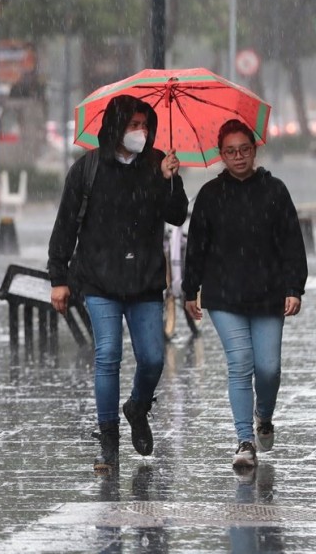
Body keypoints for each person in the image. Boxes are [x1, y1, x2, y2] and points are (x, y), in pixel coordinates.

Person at [48, 94, 188, 472]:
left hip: (144, 281)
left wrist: (170, 181)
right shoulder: (87, 170)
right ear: (115, 127)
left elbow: (176, 215)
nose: (140, 133)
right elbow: (65, 226)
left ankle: (137, 407)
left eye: (145, 125)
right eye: (133, 125)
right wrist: (58, 277)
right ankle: (108, 440)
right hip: (99, 280)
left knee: (153, 359)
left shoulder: (158, 164)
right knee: (108, 355)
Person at [183, 118, 307, 470]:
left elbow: (291, 244)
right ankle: (244, 440)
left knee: (268, 369)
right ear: (221, 154)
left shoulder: (275, 190)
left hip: (268, 294)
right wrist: (190, 289)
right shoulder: (210, 195)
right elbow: (197, 247)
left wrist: (293, 287)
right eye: (230, 152)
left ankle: (263, 417)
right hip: (223, 296)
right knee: (240, 365)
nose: (238, 157)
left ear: (255, 150)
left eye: (244, 150)